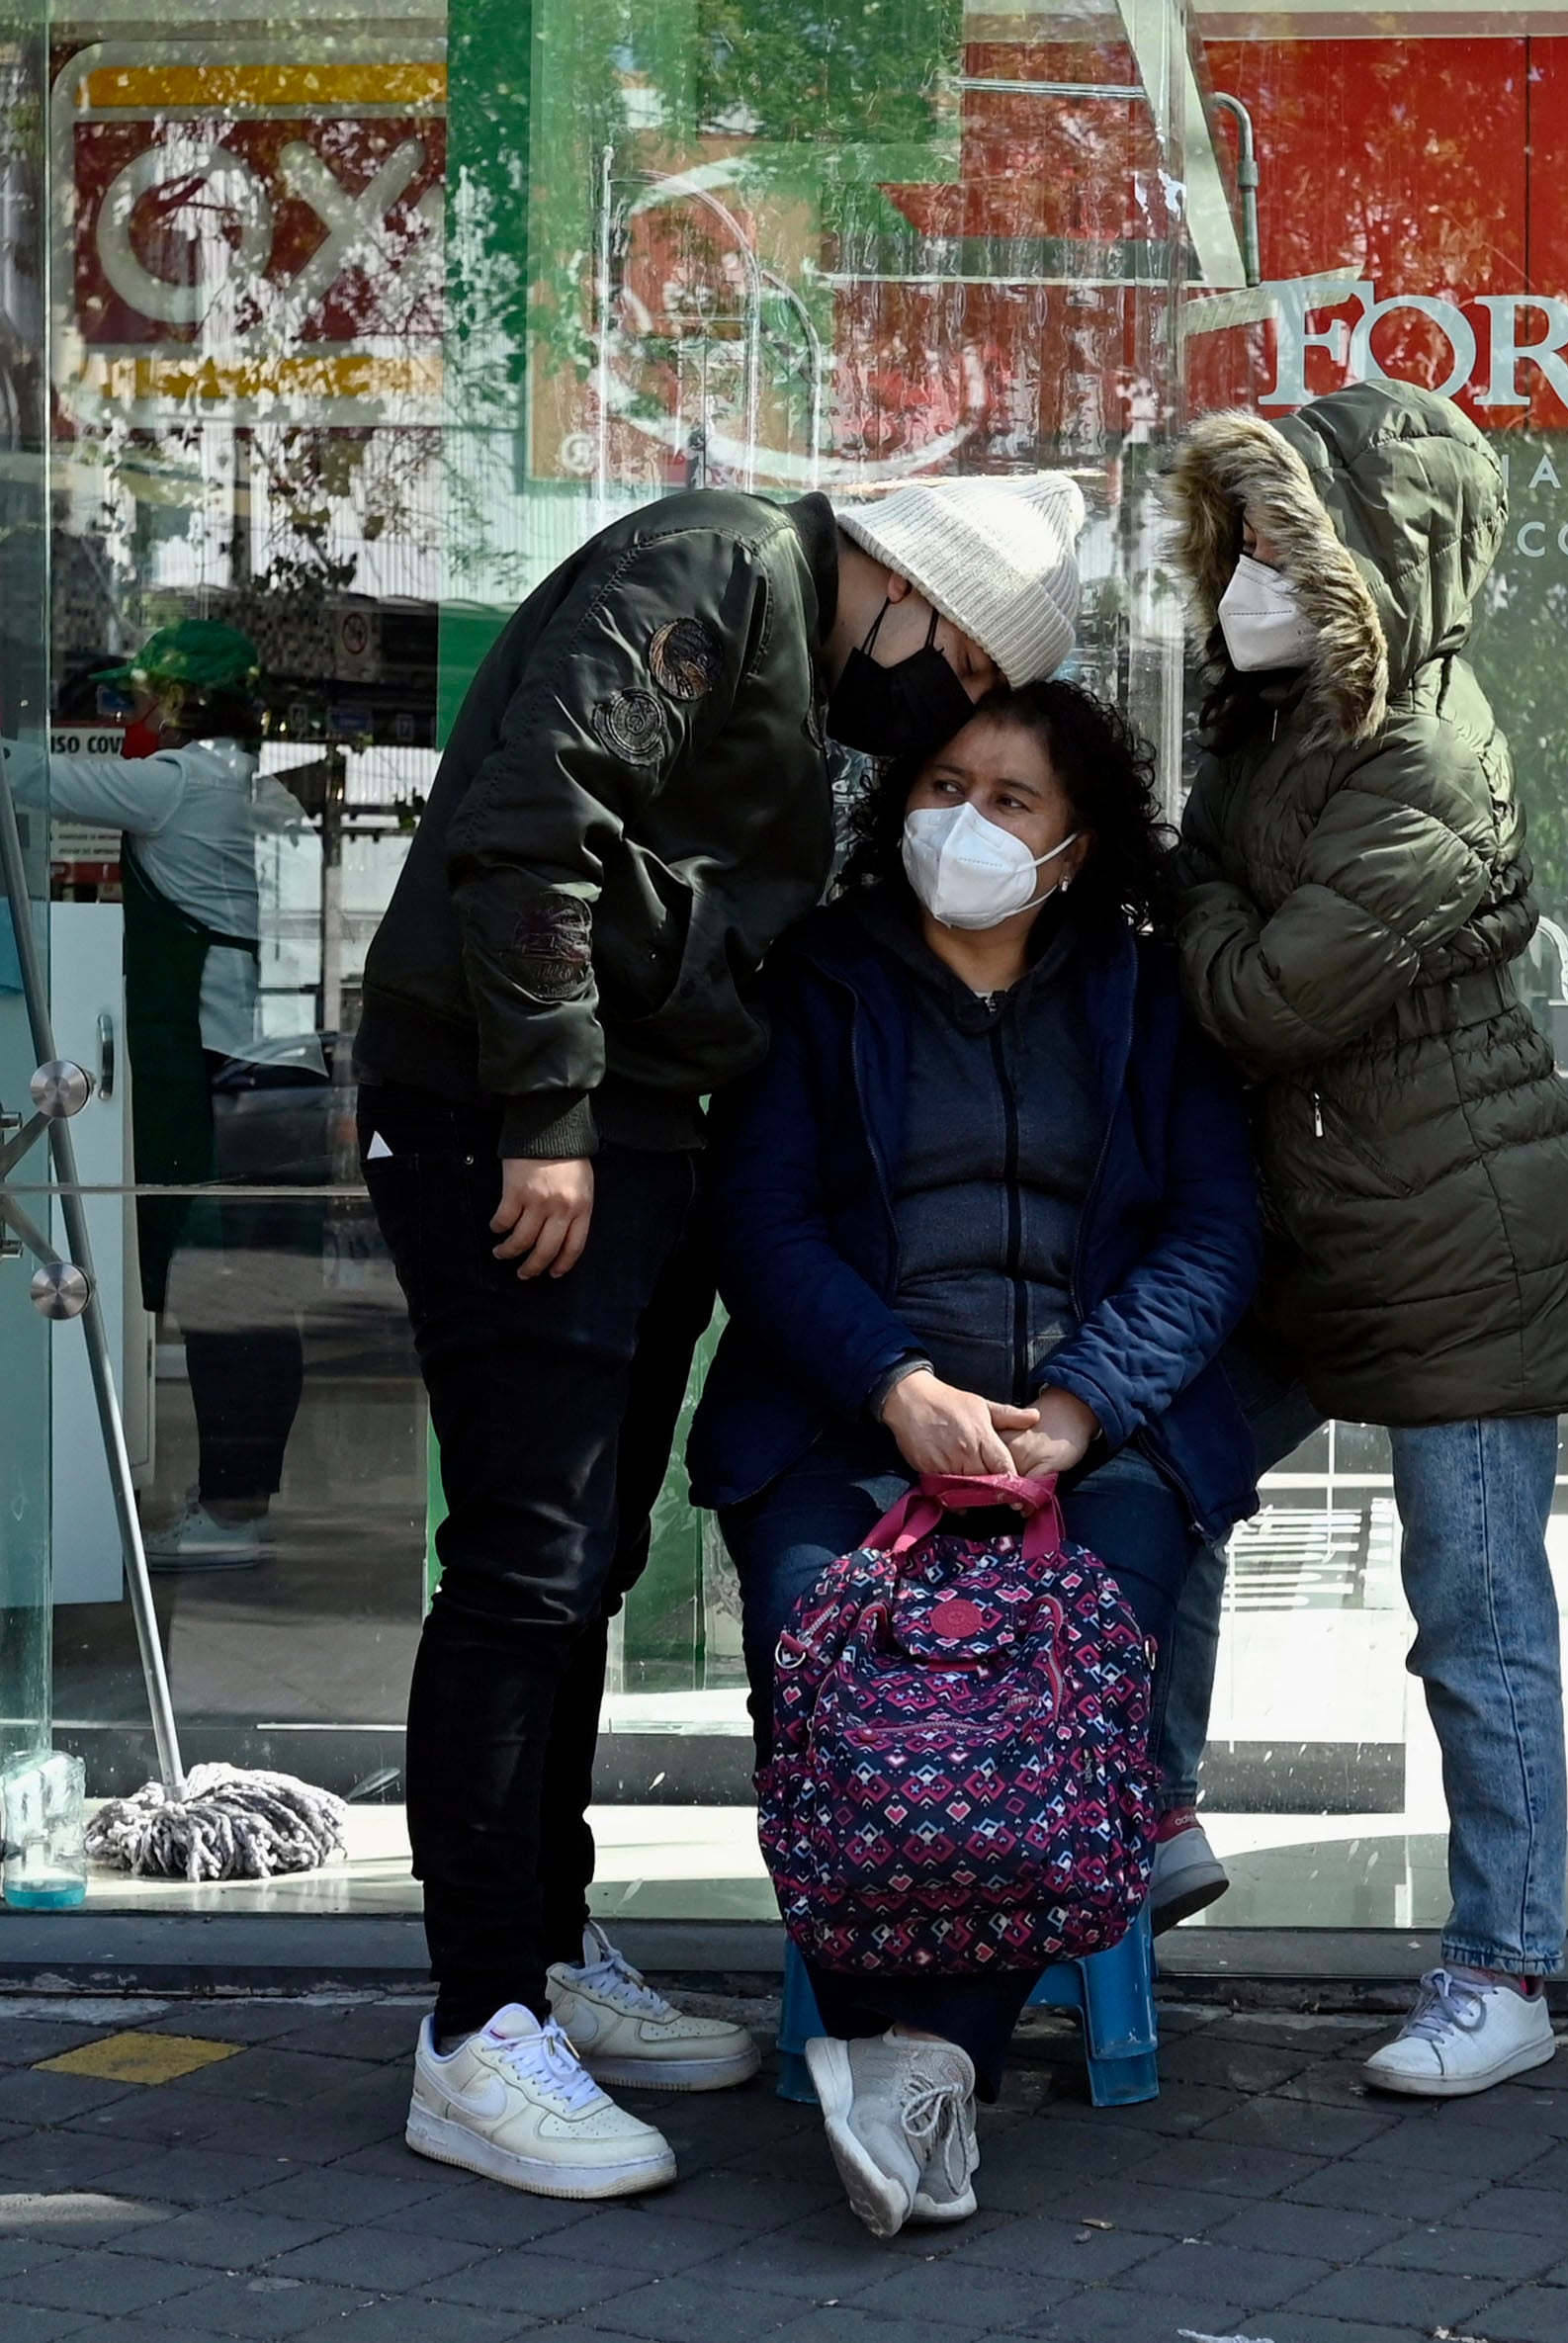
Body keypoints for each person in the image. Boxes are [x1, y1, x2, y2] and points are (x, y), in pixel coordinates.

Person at [359, 471, 1088, 2199]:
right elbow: (540, 819)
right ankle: (472, 2030)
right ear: (907, 591)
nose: (947, 712)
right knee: (524, 1562)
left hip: (635, 1117)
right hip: (521, 1116)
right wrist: (544, 1108)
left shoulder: (774, 626)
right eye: (962, 674)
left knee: (584, 1557)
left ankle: (542, 1955)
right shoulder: (719, 566)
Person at [689, 678, 1263, 2235]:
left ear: (1076, 845)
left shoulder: (1146, 1001)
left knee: (1057, 1704)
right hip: (843, 1418)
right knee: (845, 1684)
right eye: (946, 783)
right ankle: (910, 2062)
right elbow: (762, 1219)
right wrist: (899, 1386)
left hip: (1092, 1440)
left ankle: (921, 2061)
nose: (970, 820)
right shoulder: (821, 978)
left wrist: (1076, 1410)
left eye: (1013, 798)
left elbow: (1215, 1235)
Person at [1166, 381, 1568, 2099]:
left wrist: (1196, 903)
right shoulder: (1285, 728)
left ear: (1376, 557)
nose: (1252, 573)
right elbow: (1212, 904)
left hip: (1454, 1235)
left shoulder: (1425, 749)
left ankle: (1505, 1967)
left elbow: (1267, 998)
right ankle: (1148, 1815)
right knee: (1159, 1473)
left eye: (1289, 540)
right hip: (1318, 1226)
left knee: (1475, 1612)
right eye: (1245, 538)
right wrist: (1205, 893)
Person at [7, 622, 328, 1570]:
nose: (132, 720)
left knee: (226, 1299)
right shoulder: (269, 797)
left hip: (225, 1070)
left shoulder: (181, 782)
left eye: (142, 701)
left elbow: (27, 779)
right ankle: (240, 1497)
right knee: (264, 1302)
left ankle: (234, 1516)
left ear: (182, 705)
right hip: (287, 1069)